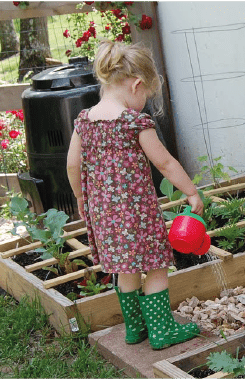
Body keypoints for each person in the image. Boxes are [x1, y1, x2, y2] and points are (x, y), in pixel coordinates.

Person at [66, 40, 203, 350]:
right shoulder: (133, 122)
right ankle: (162, 332)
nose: (144, 103)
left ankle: (135, 328)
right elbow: (165, 163)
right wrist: (191, 191)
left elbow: (73, 164)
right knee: (155, 266)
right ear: (136, 84)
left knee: (124, 268)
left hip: (104, 216)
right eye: (146, 96)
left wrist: (80, 197)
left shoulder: (84, 121)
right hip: (137, 214)